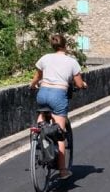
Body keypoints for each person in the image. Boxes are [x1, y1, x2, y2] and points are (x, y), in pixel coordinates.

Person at [29, 33, 87, 179]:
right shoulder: (71, 61)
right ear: (65, 45)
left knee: (42, 114)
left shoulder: (45, 58)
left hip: (42, 93)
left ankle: (39, 134)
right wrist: (83, 85)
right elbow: (79, 83)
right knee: (59, 133)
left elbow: (37, 77)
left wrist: (33, 85)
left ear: (52, 46)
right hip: (58, 95)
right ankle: (62, 170)